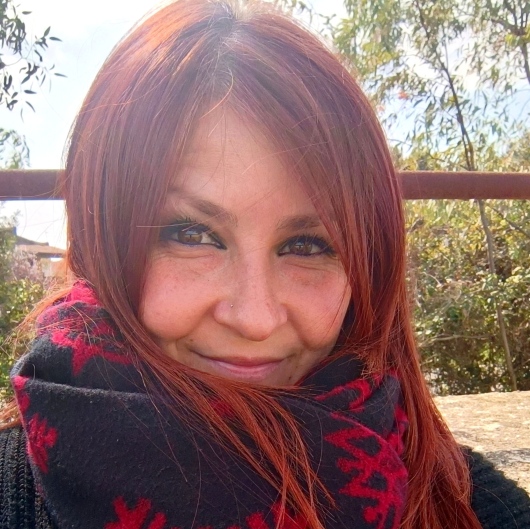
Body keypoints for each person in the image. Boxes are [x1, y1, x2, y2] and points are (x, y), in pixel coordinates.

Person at [0, 1, 529, 528]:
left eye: (307, 245)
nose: (255, 319)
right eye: (192, 235)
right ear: (102, 243)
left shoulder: (469, 504)